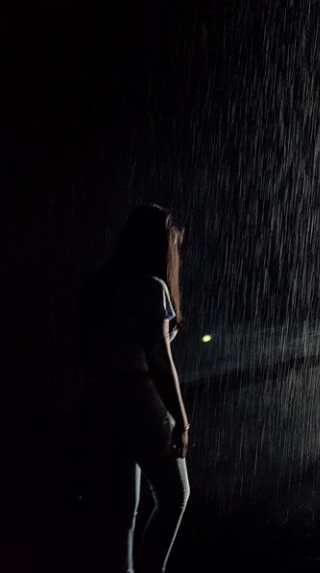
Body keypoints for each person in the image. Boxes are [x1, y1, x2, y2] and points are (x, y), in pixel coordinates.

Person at [79, 204, 190, 573]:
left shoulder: (100, 284)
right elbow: (160, 362)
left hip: (103, 399)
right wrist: (181, 420)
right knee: (174, 496)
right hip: (141, 399)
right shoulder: (151, 287)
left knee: (122, 511)